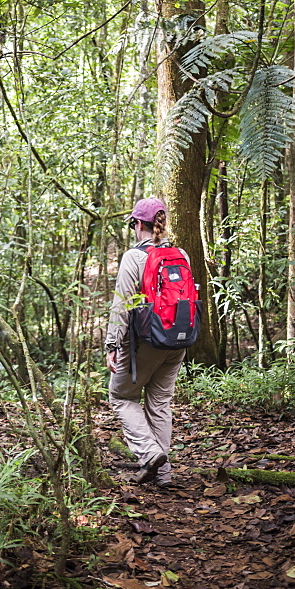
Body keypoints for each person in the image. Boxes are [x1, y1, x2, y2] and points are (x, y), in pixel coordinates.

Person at [105, 198, 189, 486]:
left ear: (138, 224)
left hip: (145, 342)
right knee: (160, 403)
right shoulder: (182, 255)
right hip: (178, 341)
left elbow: (122, 305)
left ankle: (150, 454)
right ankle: (163, 475)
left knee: (121, 397)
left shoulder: (133, 257)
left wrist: (112, 345)